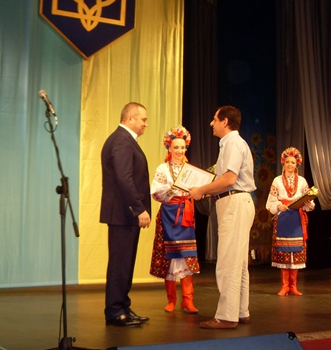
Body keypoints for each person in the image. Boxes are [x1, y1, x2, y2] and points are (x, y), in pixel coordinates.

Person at [189, 105, 256, 329]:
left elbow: (229, 179)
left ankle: (227, 316)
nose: (211, 123)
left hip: (234, 202)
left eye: (215, 119)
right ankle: (241, 311)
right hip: (237, 201)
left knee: (228, 261)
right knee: (238, 262)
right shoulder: (232, 143)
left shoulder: (232, 143)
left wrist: (201, 190)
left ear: (225, 121)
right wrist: (208, 189)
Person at [100, 102, 151, 327]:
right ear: (130, 118)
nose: (146, 124)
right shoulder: (121, 140)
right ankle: (115, 311)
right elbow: (124, 178)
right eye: (143, 120)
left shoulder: (125, 140)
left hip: (125, 213)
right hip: (123, 213)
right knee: (120, 263)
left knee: (125, 263)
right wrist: (138, 208)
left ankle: (122, 306)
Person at [150, 126, 200, 314]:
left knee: (187, 255)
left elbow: (199, 190)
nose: (180, 151)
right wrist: (170, 190)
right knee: (169, 257)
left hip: (185, 214)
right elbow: (156, 192)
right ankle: (171, 299)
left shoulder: (190, 170)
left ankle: (188, 300)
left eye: (182, 147)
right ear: (169, 148)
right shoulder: (162, 169)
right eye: (176, 147)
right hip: (169, 214)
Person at [265, 147, 315, 296]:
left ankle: (293, 286)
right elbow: (270, 202)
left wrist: (307, 203)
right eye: (287, 162)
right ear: (283, 163)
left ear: (297, 164)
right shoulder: (277, 180)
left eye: (293, 162)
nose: (290, 165)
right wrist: (278, 206)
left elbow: (309, 201)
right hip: (283, 218)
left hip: (297, 219)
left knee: (295, 252)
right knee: (284, 252)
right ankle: (284, 285)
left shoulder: (302, 181)